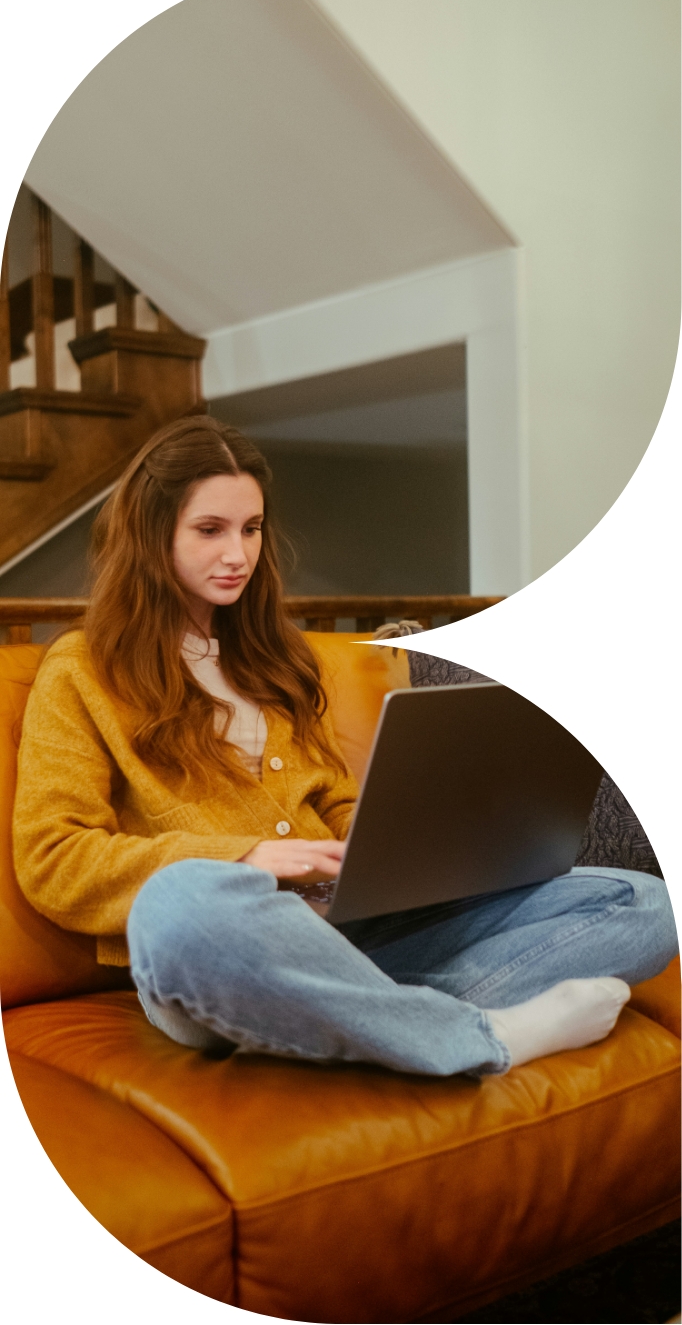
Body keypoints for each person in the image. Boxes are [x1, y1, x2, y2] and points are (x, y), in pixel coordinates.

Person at [13, 415, 677, 1077]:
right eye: (210, 530)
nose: (237, 554)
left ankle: (342, 1021)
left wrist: (389, 854)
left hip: (356, 934)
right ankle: (483, 1035)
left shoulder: (277, 661)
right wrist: (251, 855)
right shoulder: (81, 670)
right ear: (152, 536)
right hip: (228, 945)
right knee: (180, 901)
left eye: (251, 528)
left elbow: (334, 799)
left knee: (643, 903)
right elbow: (54, 859)